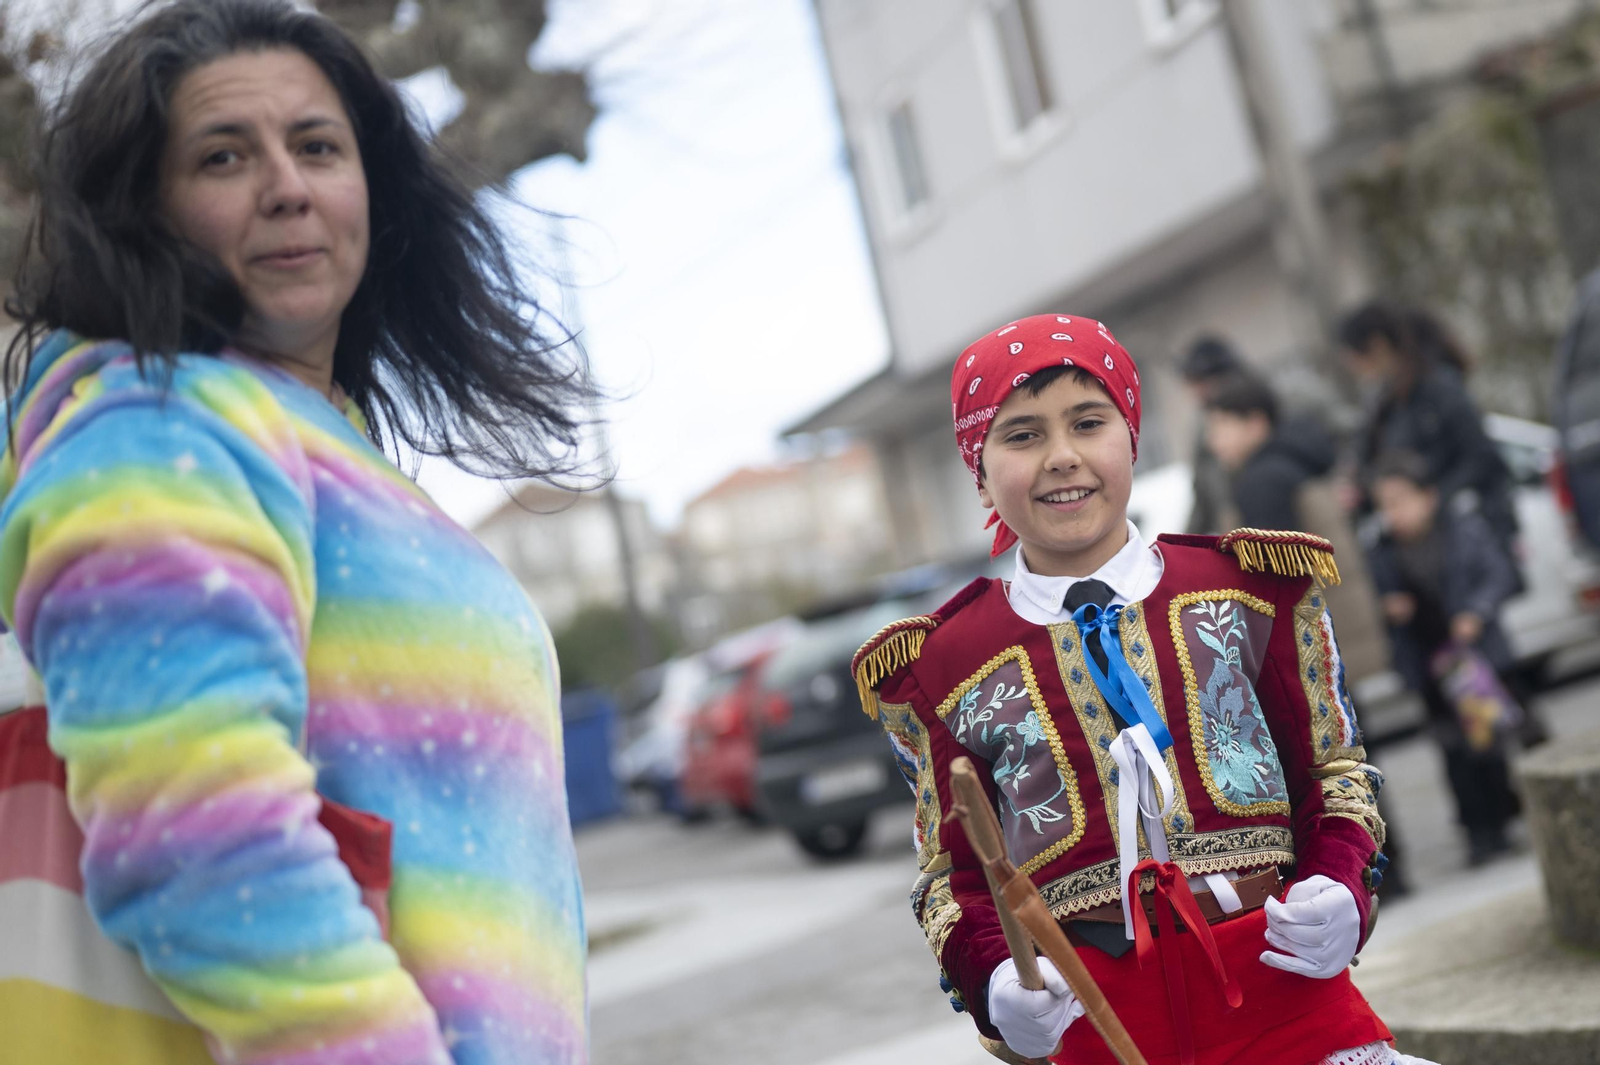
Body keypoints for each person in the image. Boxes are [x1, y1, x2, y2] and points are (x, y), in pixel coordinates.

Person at [0, 2, 591, 1062]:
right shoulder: (159, 429)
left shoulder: (303, 441)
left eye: (317, 146)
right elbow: (193, 836)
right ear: (145, 209)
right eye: (222, 156)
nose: (287, 186)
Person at [853, 314, 1429, 1065]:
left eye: (1088, 422)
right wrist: (993, 976)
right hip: (1101, 1031)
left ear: (1131, 435)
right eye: (1022, 435)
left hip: (1289, 1004)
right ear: (979, 467)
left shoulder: (1253, 587)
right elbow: (952, 878)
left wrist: (1339, 880)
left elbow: (1331, 774)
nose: (1062, 457)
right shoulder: (937, 665)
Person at [1366, 452, 1524, 866]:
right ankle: (1478, 831)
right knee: (1452, 751)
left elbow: (1499, 573)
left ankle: (1504, 816)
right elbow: (1371, 607)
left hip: (1473, 660)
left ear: (1429, 496)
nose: (1393, 513)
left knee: (1488, 741)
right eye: (1386, 504)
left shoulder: (1462, 530)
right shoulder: (1380, 553)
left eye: (1401, 500)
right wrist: (1389, 609)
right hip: (1429, 667)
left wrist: (1476, 611)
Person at [1339, 301, 1519, 555]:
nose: (1355, 371)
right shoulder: (1383, 404)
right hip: (1423, 546)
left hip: (1465, 540)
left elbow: (1482, 457)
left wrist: (1430, 501)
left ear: (1377, 346)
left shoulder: (1438, 387)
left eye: (1355, 360)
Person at [1178, 336, 1246, 535]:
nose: (1197, 392)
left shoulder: (1257, 414)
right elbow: (1202, 501)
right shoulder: (1204, 430)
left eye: (1201, 382)